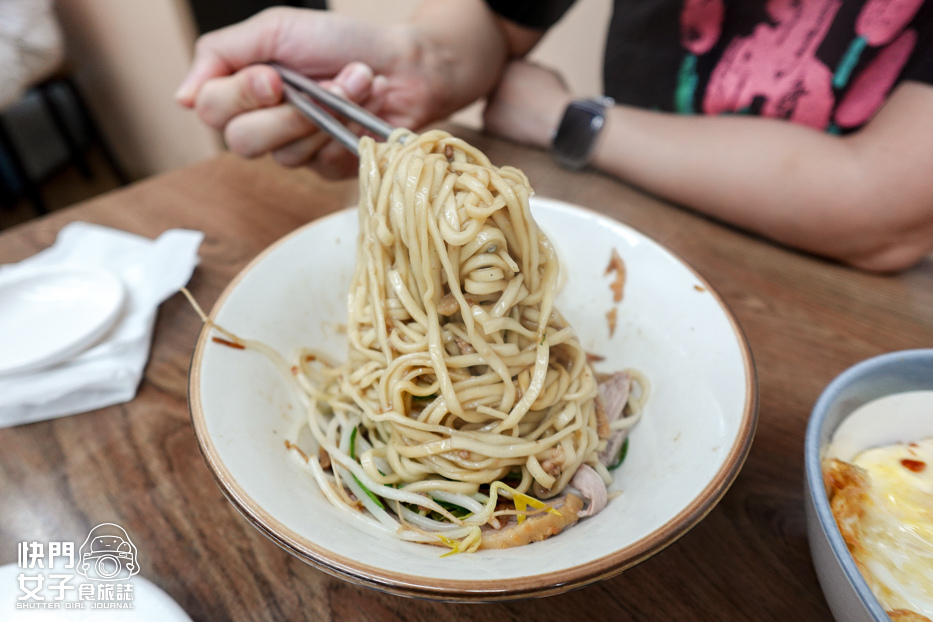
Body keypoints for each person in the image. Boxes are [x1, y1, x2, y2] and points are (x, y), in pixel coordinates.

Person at [176, 0, 933, 272]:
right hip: (622, 233)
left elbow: (880, 211)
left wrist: (571, 122)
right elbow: (490, 21)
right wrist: (414, 64)